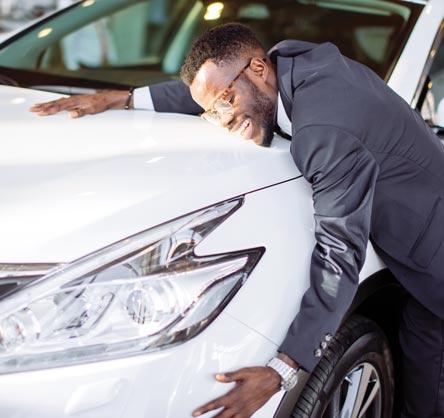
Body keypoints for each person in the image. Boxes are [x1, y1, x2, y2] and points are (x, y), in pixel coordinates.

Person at [30, 23, 444, 418]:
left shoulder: (326, 132)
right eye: (213, 110)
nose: (222, 119)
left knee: (432, 355)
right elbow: (211, 90)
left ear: (259, 69)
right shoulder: (288, 64)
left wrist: (284, 368)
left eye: (225, 104)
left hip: (432, 250)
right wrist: (122, 99)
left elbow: (339, 257)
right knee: (420, 340)